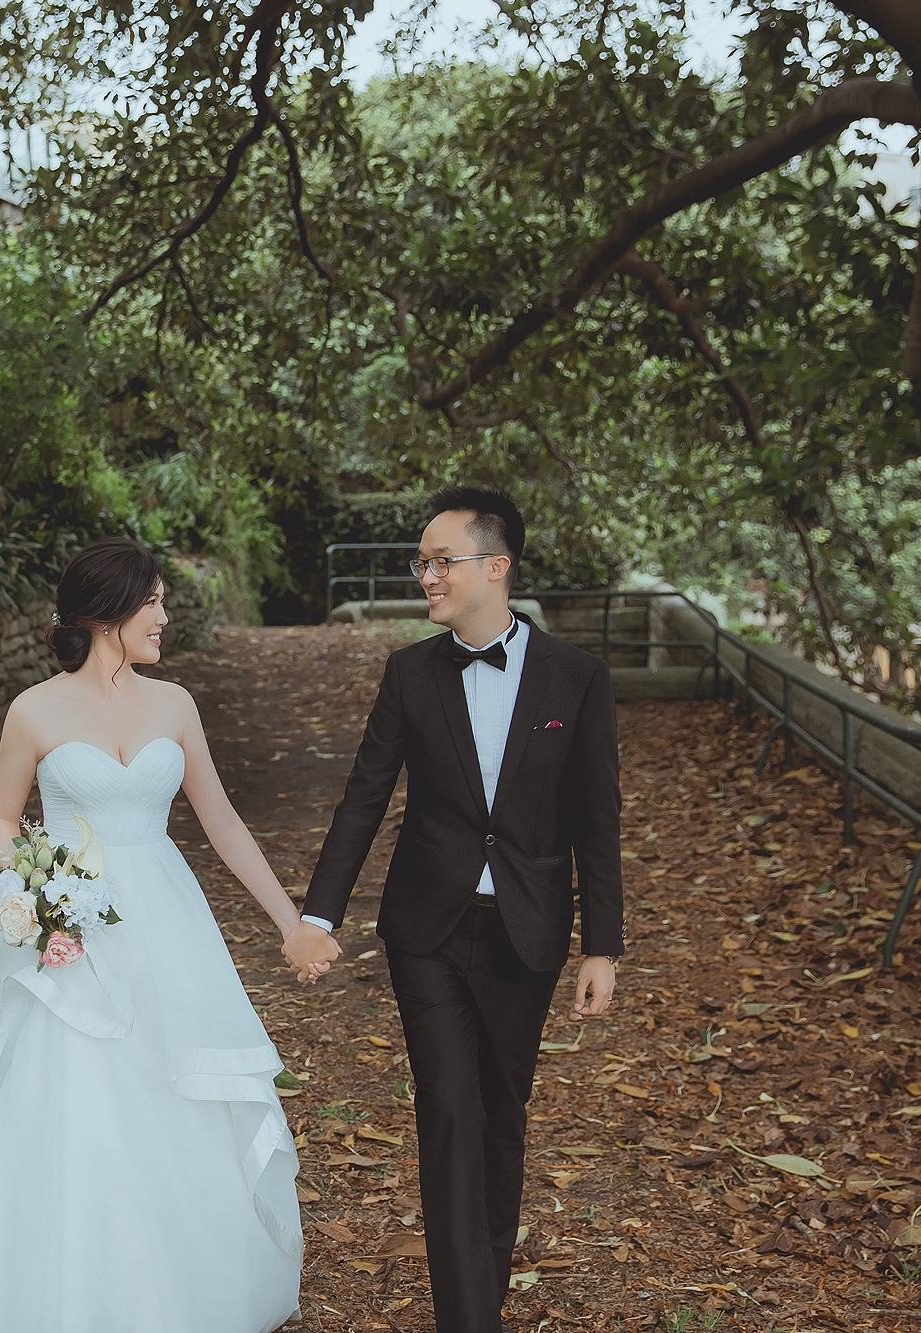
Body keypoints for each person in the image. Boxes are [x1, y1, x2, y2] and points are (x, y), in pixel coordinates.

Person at [0, 535, 341, 1331]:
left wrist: (291, 923)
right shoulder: (34, 710)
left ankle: (178, 1280)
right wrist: (36, 889)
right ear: (107, 612)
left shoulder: (175, 704)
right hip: (69, 929)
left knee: (172, 1083)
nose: (165, 616)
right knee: (71, 1094)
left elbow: (222, 822)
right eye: (154, 601)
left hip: (166, 918)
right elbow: (2, 822)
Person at [301, 486, 625, 1333]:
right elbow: (364, 797)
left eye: (442, 561)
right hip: (426, 930)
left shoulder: (577, 676)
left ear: (497, 566)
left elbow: (597, 816)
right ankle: (468, 1319)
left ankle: (486, 1289)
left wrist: (602, 945)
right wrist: (319, 915)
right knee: (448, 1110)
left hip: (527, 928)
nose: (428, 576)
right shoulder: (409, 672)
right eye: (423, 563)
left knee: (501, 1113)